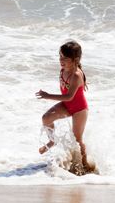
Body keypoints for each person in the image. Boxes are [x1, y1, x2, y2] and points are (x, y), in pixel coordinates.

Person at [35, 40, 89, 169]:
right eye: (60, 56)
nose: (61, 60)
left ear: (75, 59)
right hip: (67, 105)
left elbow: (69, 96)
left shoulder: (76, 75)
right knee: (46, 118)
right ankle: (52, 140)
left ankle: (85, 164)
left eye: (65, 58)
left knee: (77, 139)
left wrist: (48, 96)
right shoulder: (63, 70)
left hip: (79, 109)